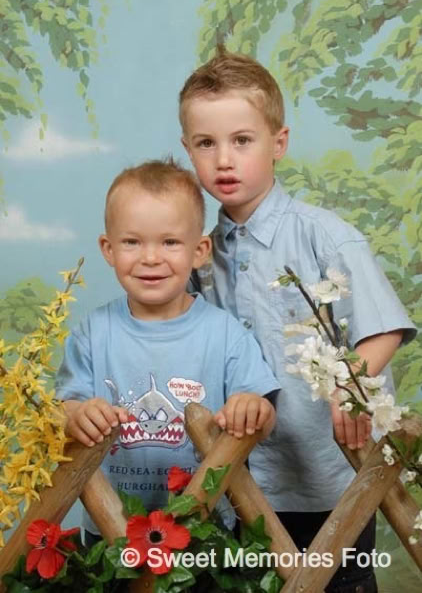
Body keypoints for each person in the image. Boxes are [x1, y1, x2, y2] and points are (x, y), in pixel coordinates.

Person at [179, 48, 416, 593]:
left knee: (339, 584)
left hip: (328, 477)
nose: (224, 159)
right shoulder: (198, 255)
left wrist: (349, 384)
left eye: (242, 140)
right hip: (239, 479)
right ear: (188, 149)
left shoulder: (324, 237)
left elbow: (383, 327)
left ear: (278, 143)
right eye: (206, 143)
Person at [56, 158, 279, 541]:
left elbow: (266, 416)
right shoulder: (93, 332)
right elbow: (61, 410)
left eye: (170, 242)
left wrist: (254, 408)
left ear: (200, 250)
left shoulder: (224, 332)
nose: (151, 258)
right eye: (132, 242)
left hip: (206, 529)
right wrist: (76, 414)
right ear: (108, 249)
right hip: (111, 528)